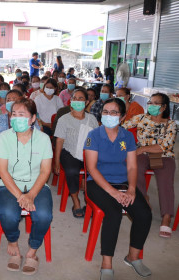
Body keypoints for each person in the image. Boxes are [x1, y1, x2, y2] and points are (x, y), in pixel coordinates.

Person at [84, 98, 152, 280]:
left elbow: (131, 167)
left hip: (122, 182)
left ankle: (133, 257)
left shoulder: (127, 137)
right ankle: (107, 263)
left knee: (144, 213)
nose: (108, 115)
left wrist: (131, 189)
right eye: (105, 111)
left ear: (121, 117)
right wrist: (113, 193)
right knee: (113, 212)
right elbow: (92, 168)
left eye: (114, 112)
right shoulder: (94, 135)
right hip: (97, 183)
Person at [0, 97, 53, 275]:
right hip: (9, 185)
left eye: (22, 114)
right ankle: (12, 242)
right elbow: (2, 171)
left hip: (37, 184)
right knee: (8, 214)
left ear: (33, 118)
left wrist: (31, 194)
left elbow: (45, 171)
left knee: (43, 215)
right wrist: (21, 196)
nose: (16, 118)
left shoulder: (43, 139)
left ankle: (32, 250)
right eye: (14, 114)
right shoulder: (4, 137)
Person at [123, 93, 177, 238]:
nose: (151, 105)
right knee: (134, 168)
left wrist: (142, 149)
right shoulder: (141, 118)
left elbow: (165, 146)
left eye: (155, 103)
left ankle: (166, 217)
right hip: (142, 154)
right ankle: (143, 200)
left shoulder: (171, 124)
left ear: (164, 107)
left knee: (166, 180)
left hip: (163, 155)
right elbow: (124, 126)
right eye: (150, 102)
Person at [54, 89, 98, 218]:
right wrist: (56, 162)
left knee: (95, 170)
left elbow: (96, 139)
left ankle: (91, 201)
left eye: (81, 98)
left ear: (86, 102)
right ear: (71, 101)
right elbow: (59, 141)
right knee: (72, 170)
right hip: (69, 152)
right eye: (75, 98)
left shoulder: (92, 119)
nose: (78, 101)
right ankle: (76, 201)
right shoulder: (64, 119)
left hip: (87, 153)